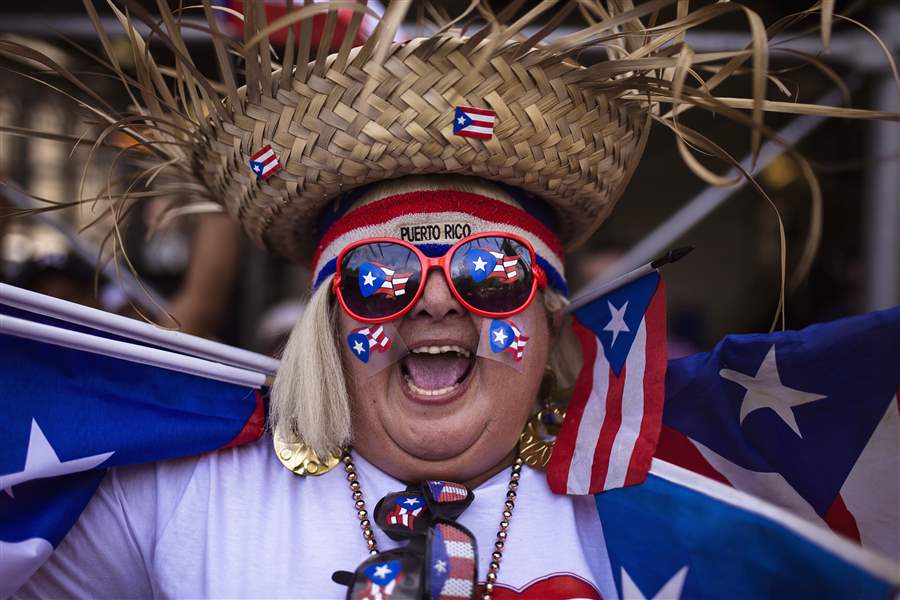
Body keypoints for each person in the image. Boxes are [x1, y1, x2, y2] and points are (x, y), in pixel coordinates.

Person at [7, 1, 898, 598]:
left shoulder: (660, 495)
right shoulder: (179, 495)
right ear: (327, 321)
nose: (434, 303)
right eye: (380, 278)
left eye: (492, 272)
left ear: (550, 319)